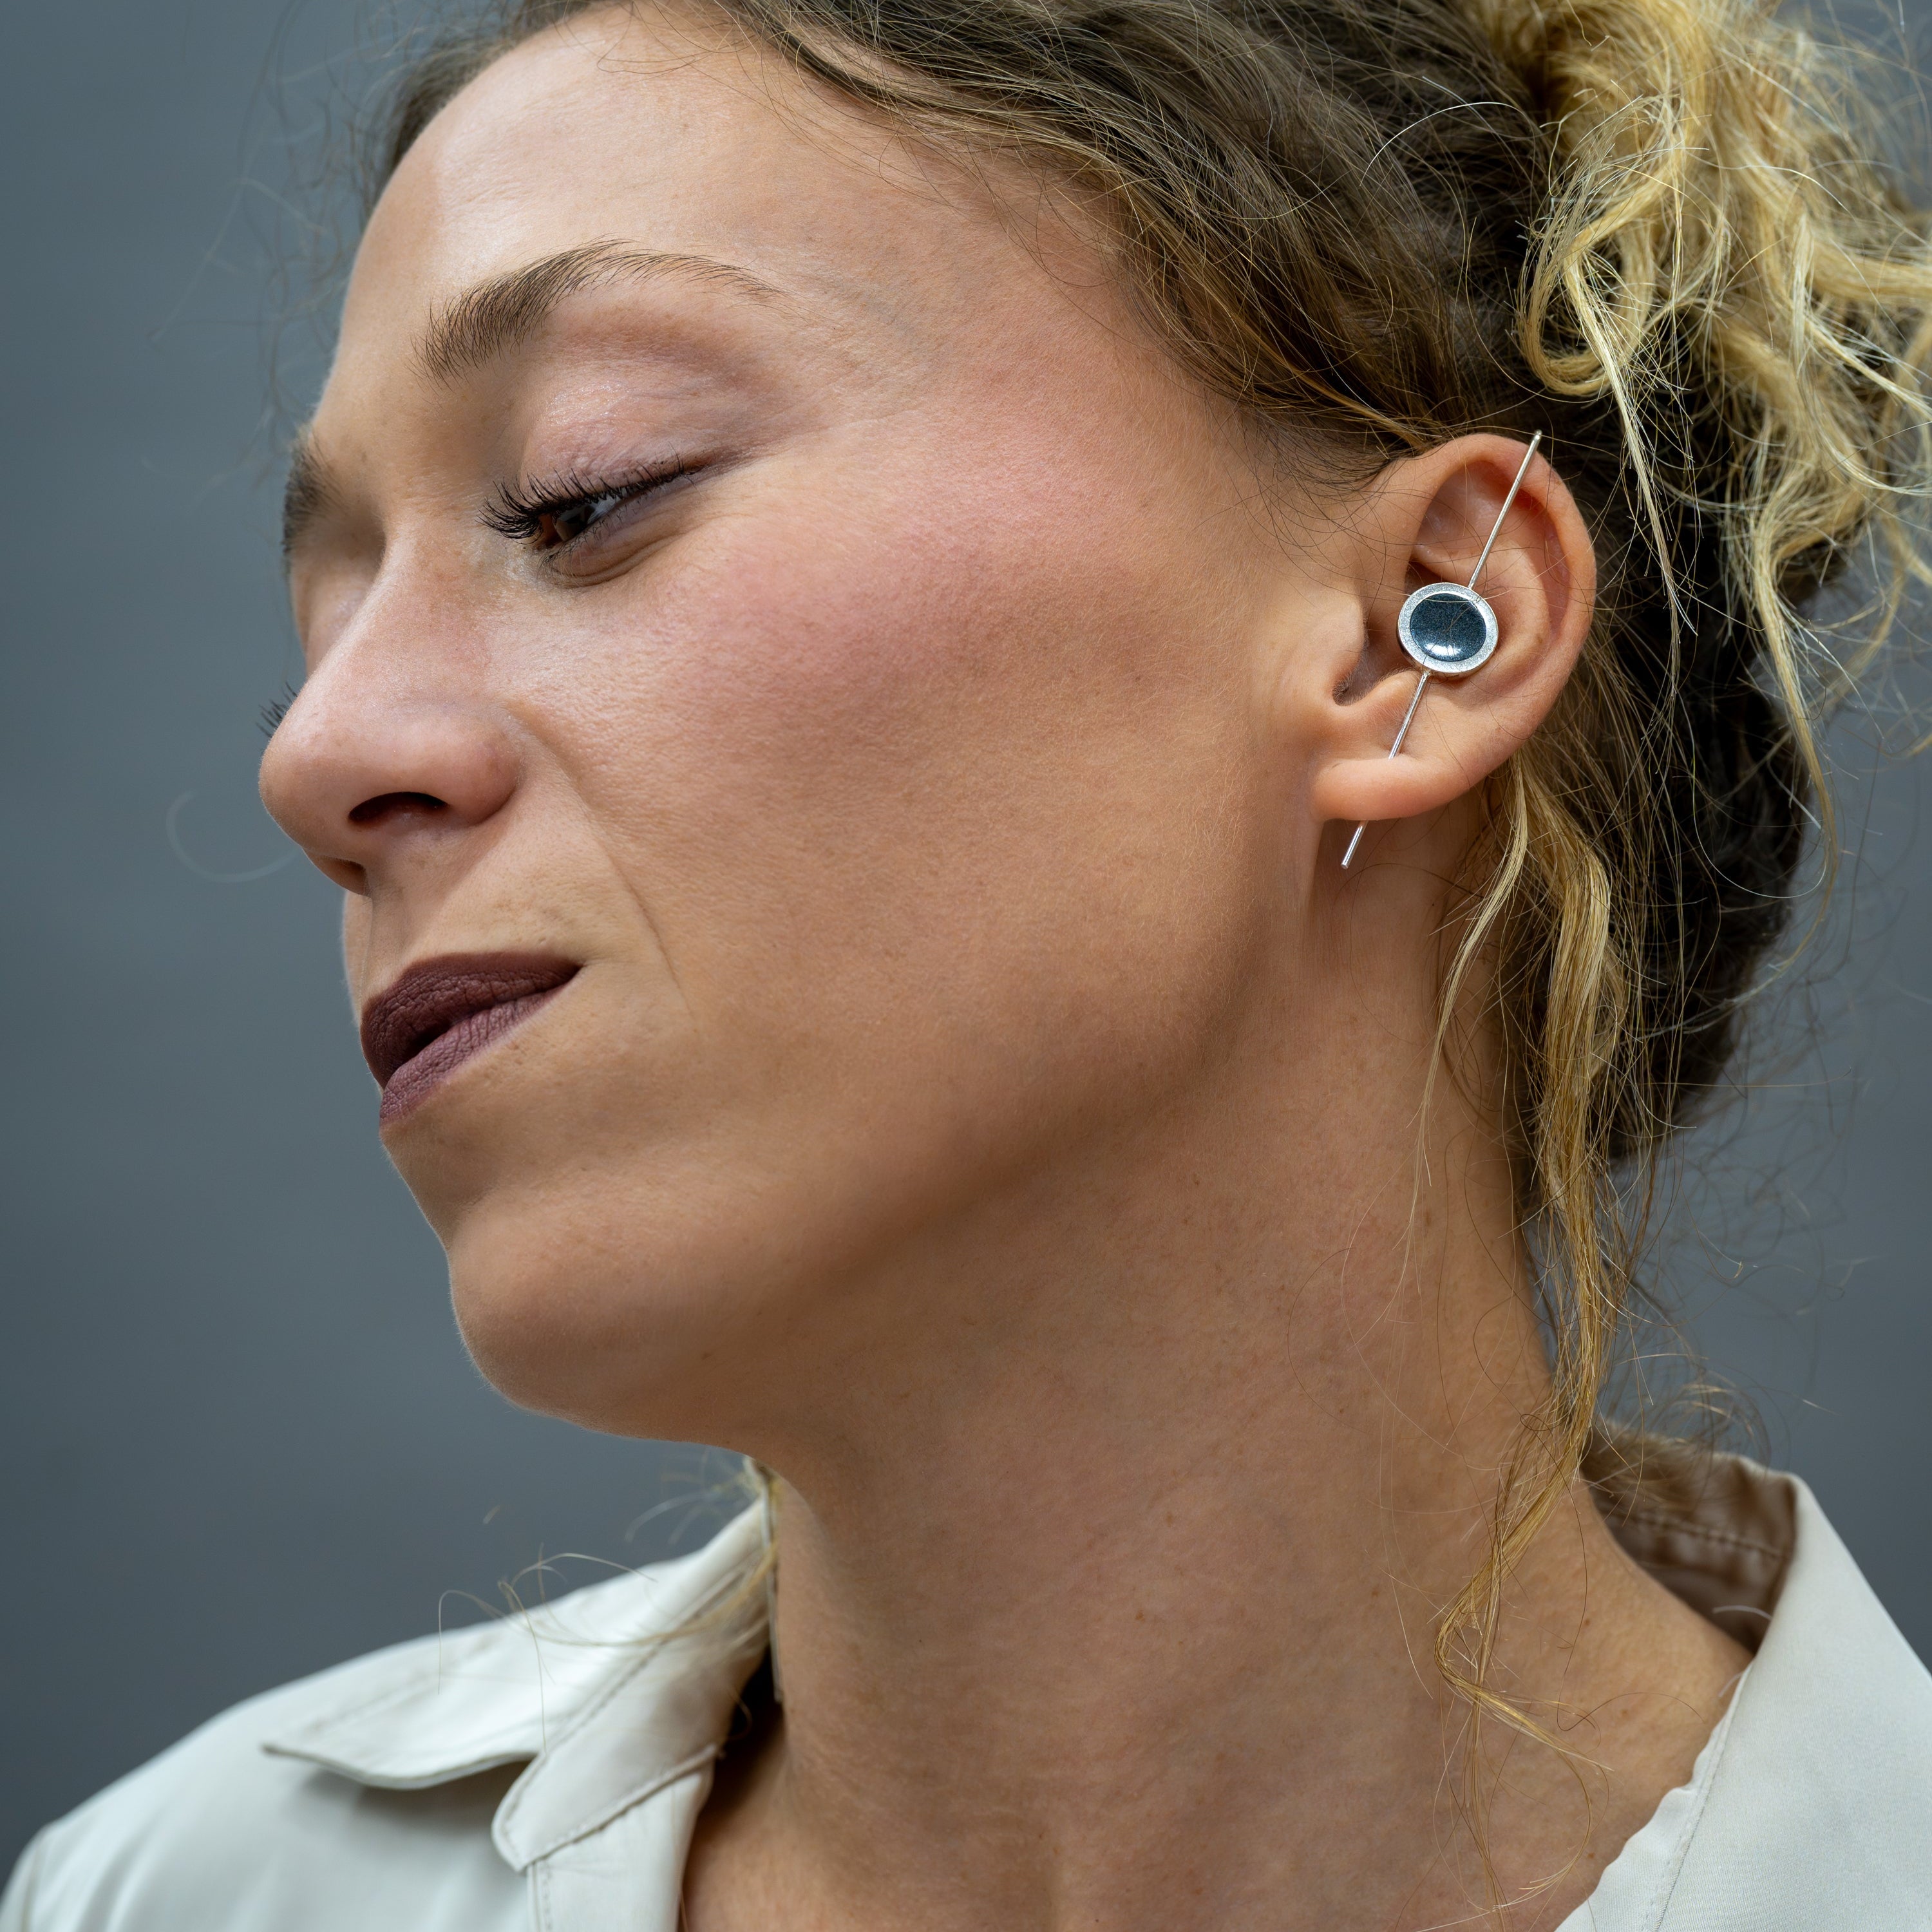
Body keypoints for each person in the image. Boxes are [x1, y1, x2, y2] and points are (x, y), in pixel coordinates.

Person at [8, 0, 1932, 1926]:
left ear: (1404, 638)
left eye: (590, 491)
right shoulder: (174, 1897)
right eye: (321, 624)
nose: (315, 759)